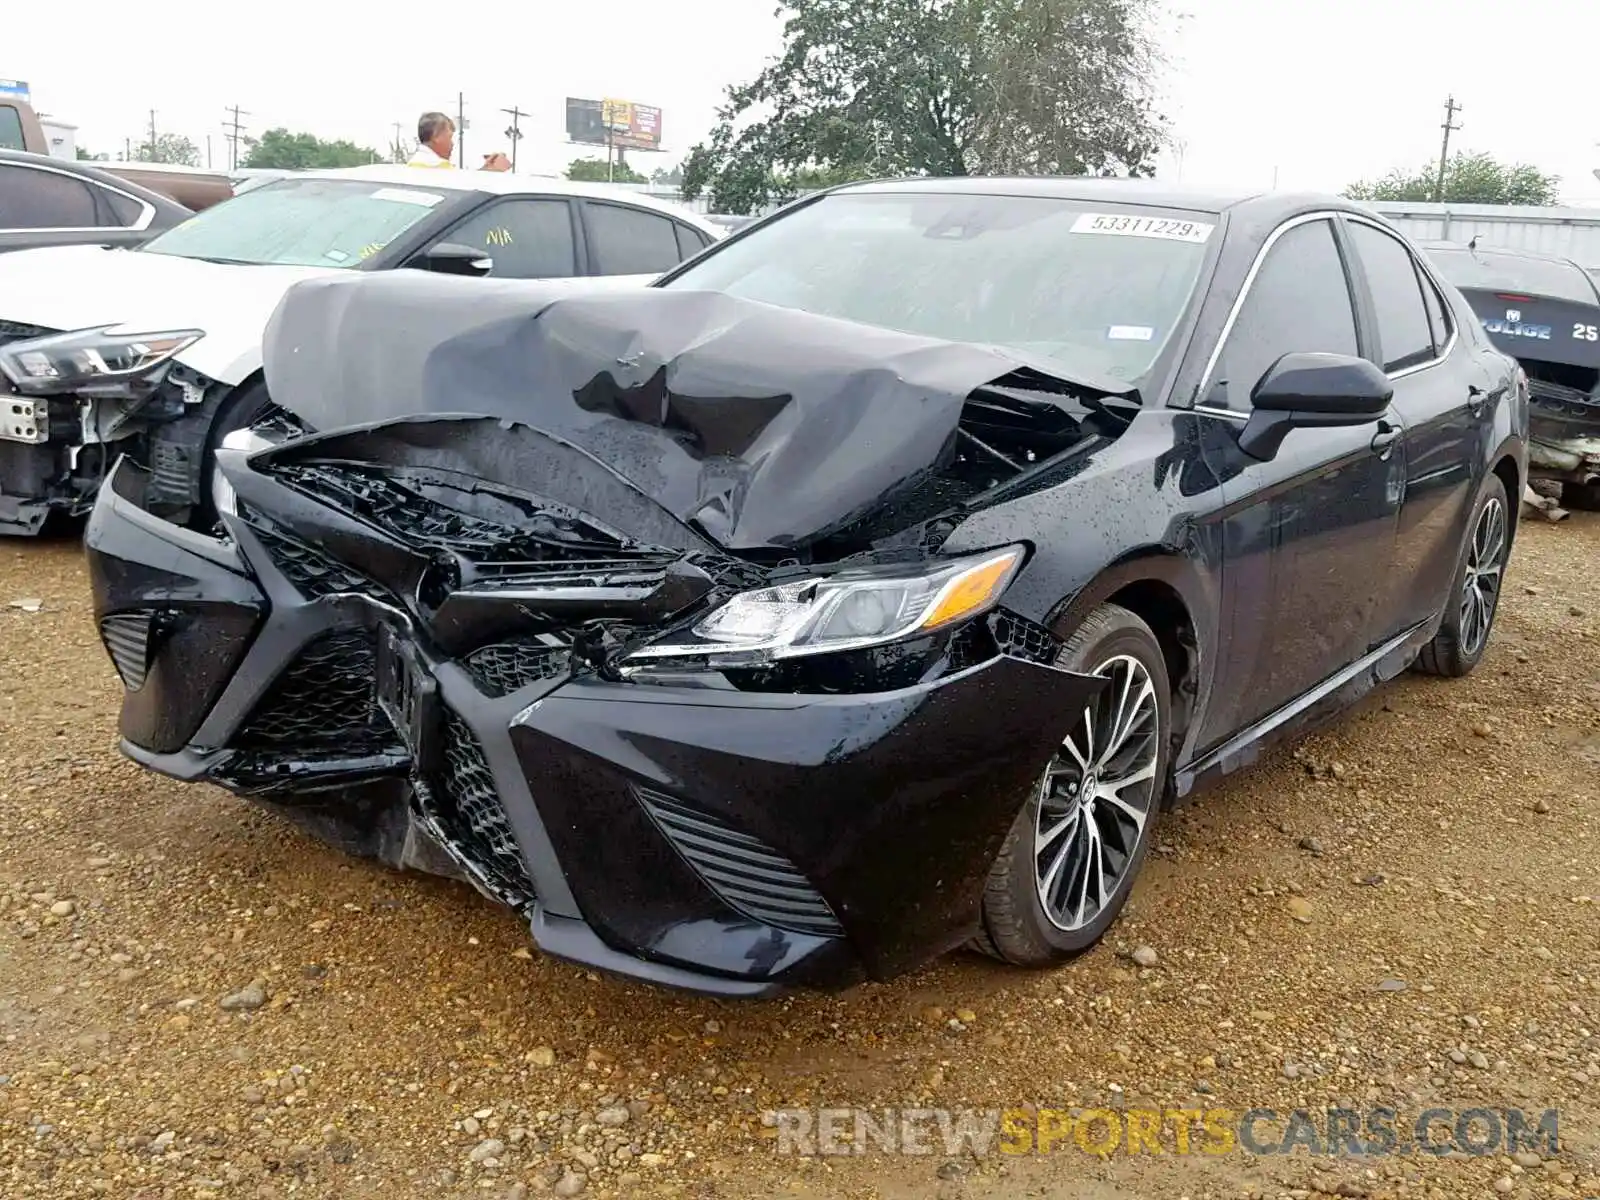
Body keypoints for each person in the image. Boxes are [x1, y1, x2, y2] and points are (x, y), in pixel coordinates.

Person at [408, 111, 511, 172]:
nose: (452, 144)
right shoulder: (437, 167)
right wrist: (492, 170)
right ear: (436, 137)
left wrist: (486, 168)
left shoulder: (412, 165)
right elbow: (466, 192)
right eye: (450, 137)